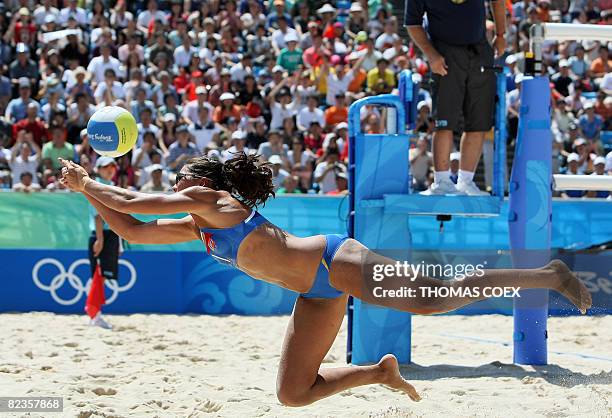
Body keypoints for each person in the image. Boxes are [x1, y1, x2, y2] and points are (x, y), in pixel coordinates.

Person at [59, 154, 590, 406]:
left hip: (333, 261)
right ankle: (379, 374)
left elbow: (130, 201)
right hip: (313, 292)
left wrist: (92, 180)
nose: (177, 184)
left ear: (204, 183)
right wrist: (85, 192)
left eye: (182, 178)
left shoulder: (214, 201)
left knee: (429, 299)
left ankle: (545, 274)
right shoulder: (197, 225)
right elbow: (130, 226)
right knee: (294, 393)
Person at [405, 0, 506, 195]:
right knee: (444, 121)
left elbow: (498, 1)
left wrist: (501, 34)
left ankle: (466, 182)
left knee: (479, 121)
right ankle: (441, 182)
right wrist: (431, 55)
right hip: (445, 52)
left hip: (479, 50)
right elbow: (413, 24)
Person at [87, 157, 123, 329]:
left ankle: (95, 314)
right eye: (106, 166)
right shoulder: (98, 187)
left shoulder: (111, 187)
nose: (110, 169)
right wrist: (100, 239)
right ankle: (94, 314)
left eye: (112, 166)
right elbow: (98, 216)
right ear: (98, 169)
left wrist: (120, 243)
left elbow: (117, 218)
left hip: (110, 235)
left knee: (102, 277)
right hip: (102, 235)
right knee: (98, 276)